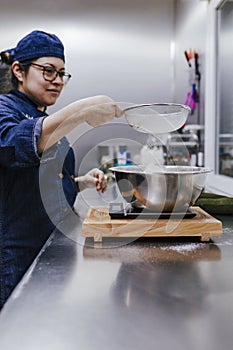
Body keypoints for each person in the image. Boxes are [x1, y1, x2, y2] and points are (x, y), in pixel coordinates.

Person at [0, 30, 123, 309]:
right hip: (15, 257)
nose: (57, 81)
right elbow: (16, 145)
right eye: (48, 71)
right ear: (19, 70)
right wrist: (81, 111)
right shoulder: (5, 109)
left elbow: (34, 179)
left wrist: (78, 182)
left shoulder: (42, 116)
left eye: (62, 74)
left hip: (46, 250)